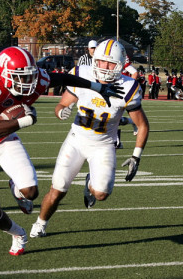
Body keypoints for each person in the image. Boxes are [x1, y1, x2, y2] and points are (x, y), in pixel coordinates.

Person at [0, 46, 123, 255]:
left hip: (6, 140)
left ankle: (17, 189)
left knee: (31, 191)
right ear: (3, 74)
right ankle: (18, 234)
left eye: (30, 76)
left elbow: (64, 78)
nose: (27, 82)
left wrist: (97, 87)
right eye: (21, 77)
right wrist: (23, 121)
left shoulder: (36, 79)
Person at [29, 39, 150, 238]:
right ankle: (41, 223)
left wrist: (136, 156)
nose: (105, 67)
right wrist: (61, 112)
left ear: (120, 66)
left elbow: (143, 125)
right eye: (101, 61)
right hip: (76, 140)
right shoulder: (82, 74)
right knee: (58, 189)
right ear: (95, 60)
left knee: (101, 194)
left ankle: (90, 183)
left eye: (111, 63)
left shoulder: (128, 87)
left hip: (103, 145)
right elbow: (60, 106)